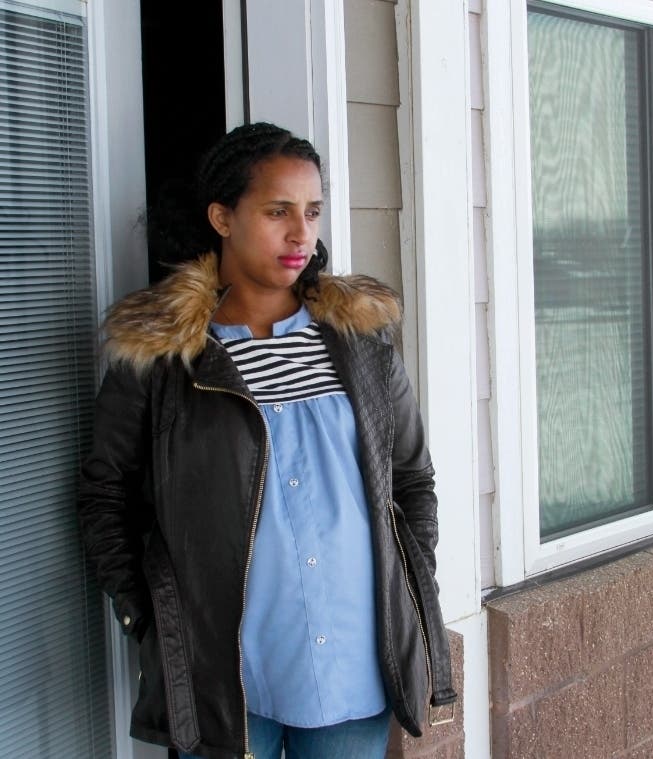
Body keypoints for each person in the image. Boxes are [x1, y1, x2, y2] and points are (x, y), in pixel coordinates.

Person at [78, 122, 456, 759]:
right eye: (276, 211)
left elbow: (412, 481)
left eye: (311, 212)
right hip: (225, 680)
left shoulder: (361, 345)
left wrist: (406, 588)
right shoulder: (162, 359)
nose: (300, 234)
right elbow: (105, 496)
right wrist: (156, 621)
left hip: (354, 665)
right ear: (222, 217)